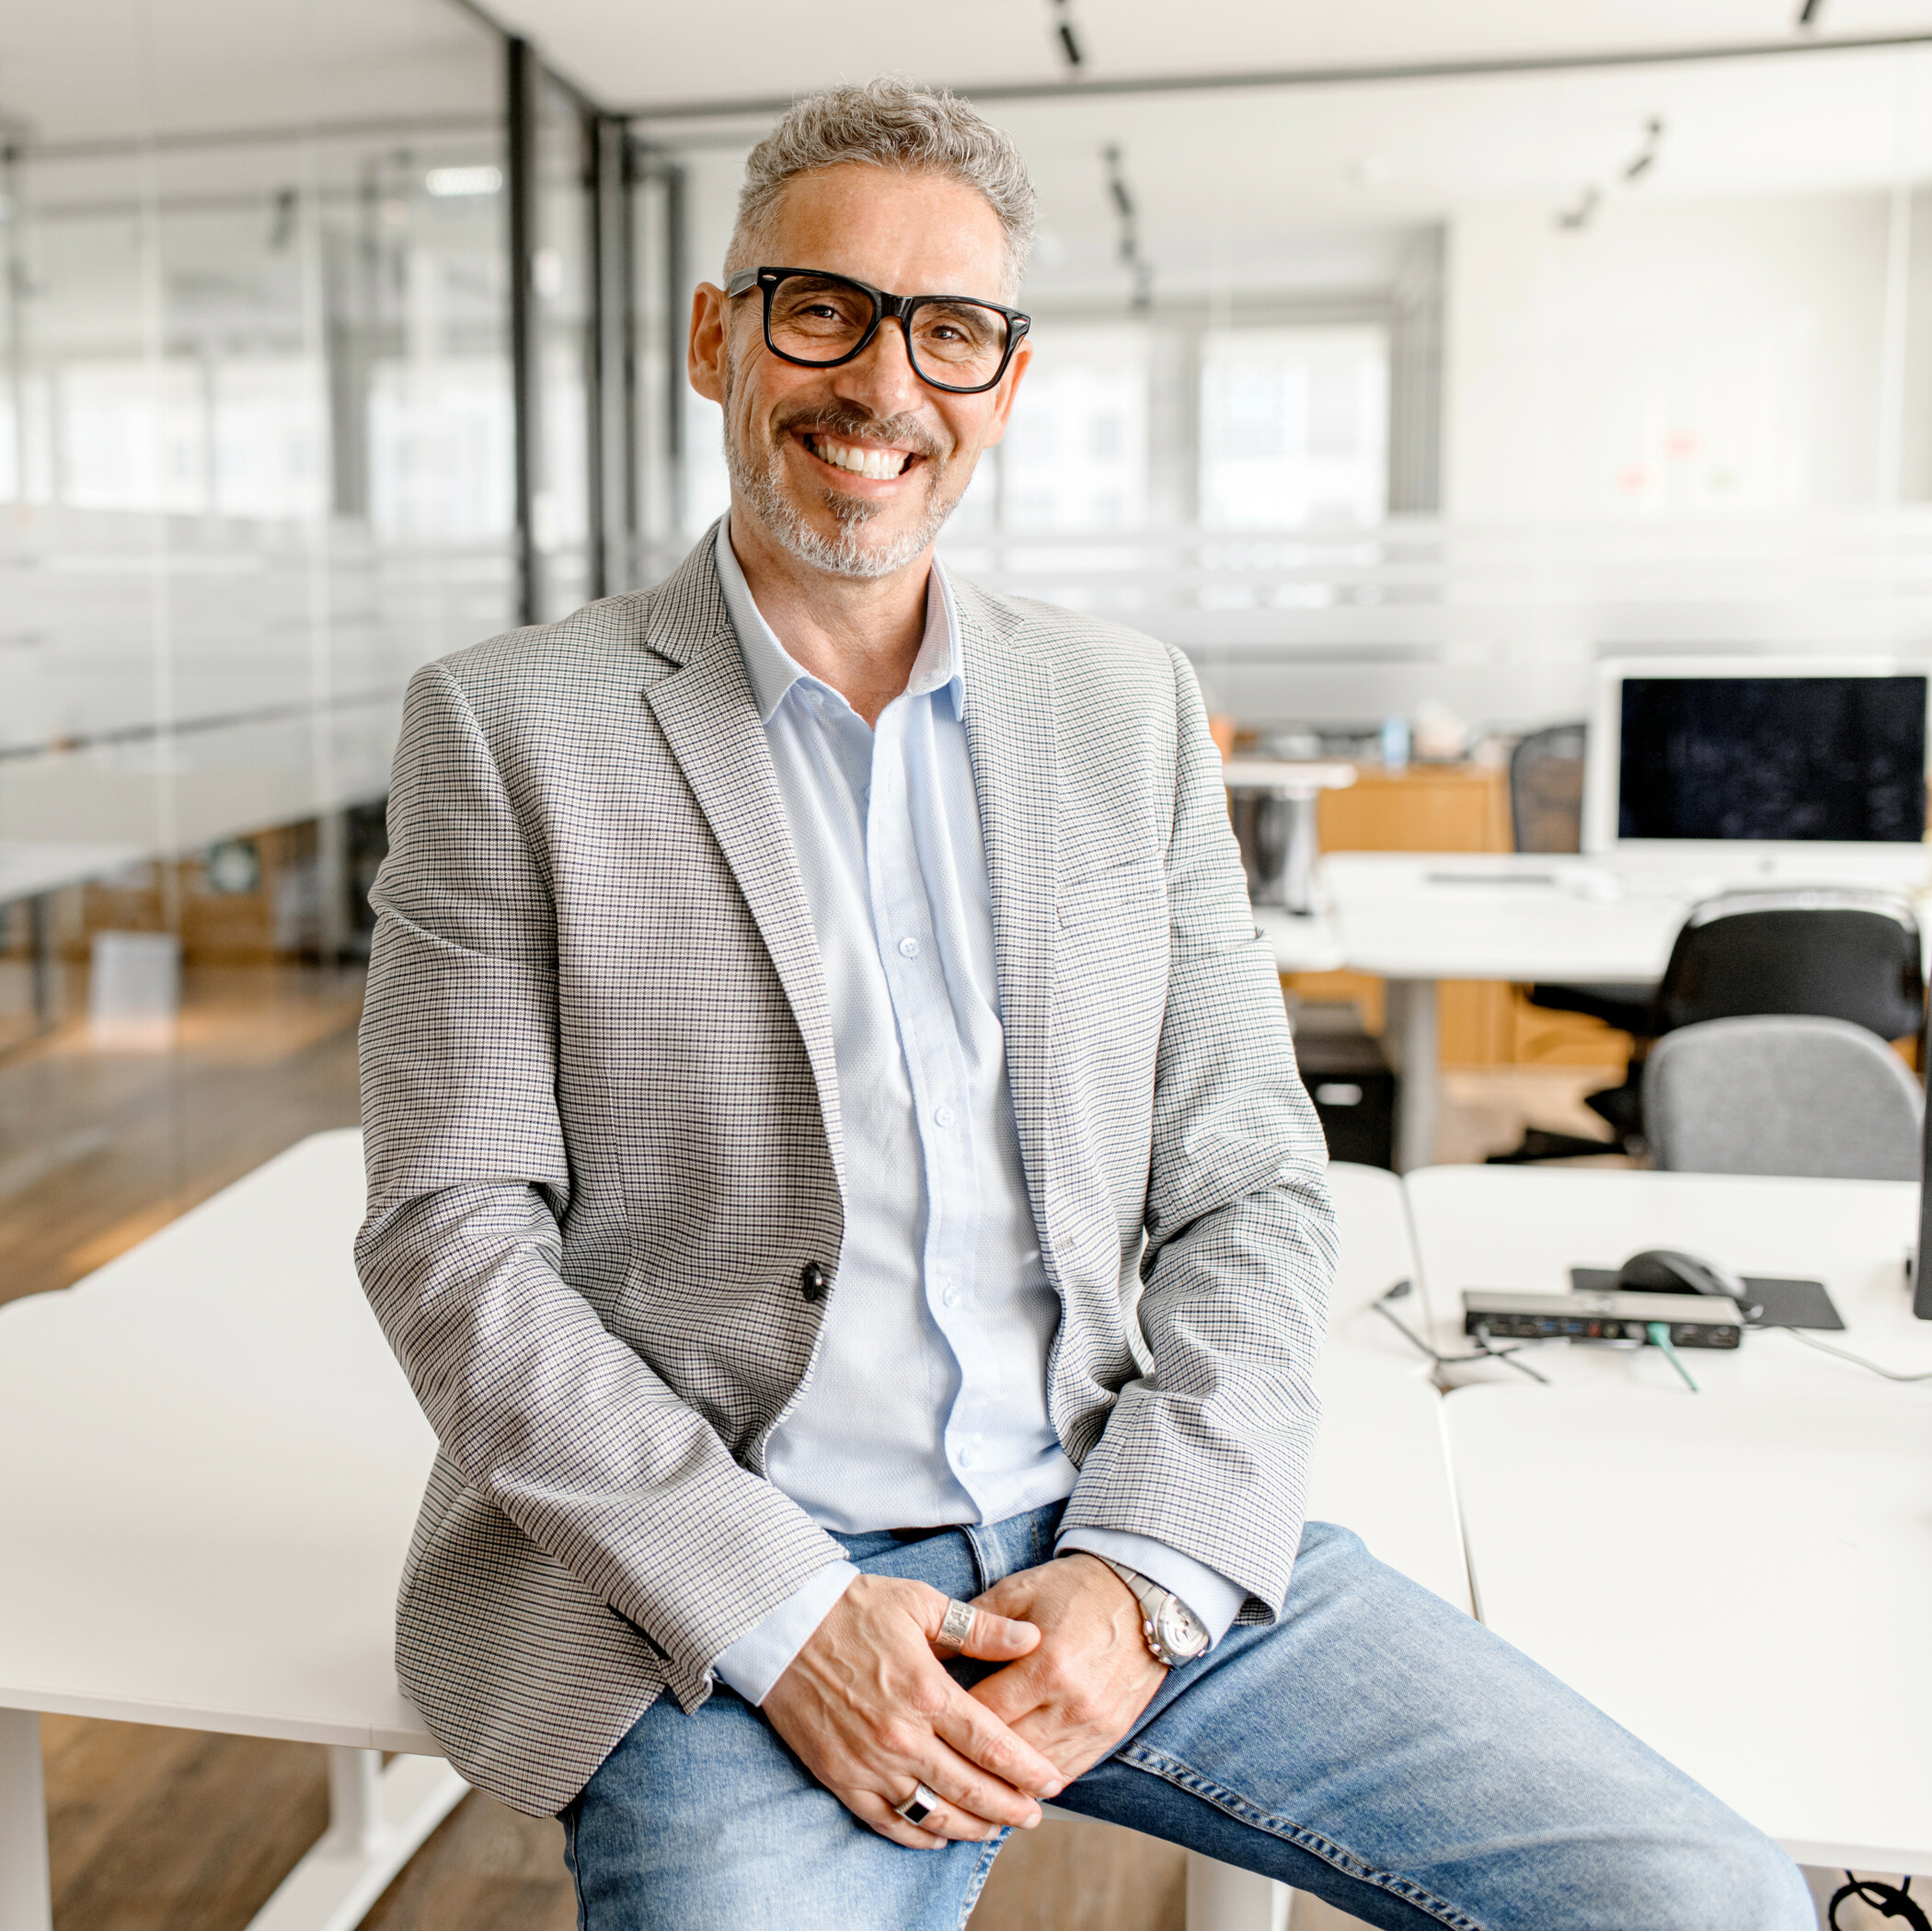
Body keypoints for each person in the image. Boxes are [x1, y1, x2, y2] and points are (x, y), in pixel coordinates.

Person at [355, 77, 1811, 1931]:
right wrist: (792, 1616)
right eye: (826, 310)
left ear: (1005, 387)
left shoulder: (1123, 710)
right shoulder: (512, 724)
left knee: (1714, 1903)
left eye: (951, 334)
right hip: (726, 1592)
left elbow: (1256, 1185)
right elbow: (452, 1241)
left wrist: (1144, 1567)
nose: (885, 389)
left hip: (1120, 1515)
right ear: (720, 337)